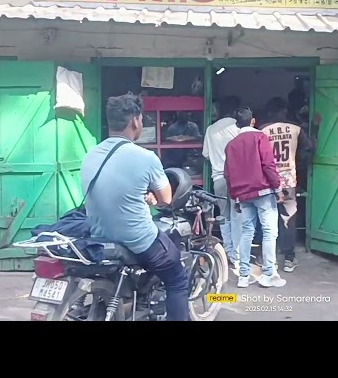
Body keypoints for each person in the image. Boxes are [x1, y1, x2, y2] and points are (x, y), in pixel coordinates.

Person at [81, 93, 190, 321]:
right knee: (177, 279)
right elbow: (167, 198)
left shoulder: (91, 154)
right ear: (135, 121)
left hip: (99, 235)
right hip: (137, 240)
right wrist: (154, 198)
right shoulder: (145, 157)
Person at [224, 108, 286, 288]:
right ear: (253, 121)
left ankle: (244, 275)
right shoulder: (260, 138)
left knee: (246, 232)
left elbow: (228, 174)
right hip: (263, 192)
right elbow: (268, 164)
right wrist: (277, 188)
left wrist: (235, 196)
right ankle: (269, 274)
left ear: (237, 124)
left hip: (242, 195)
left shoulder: (231, 145)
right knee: (269, 232)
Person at [259, 97, 320, 272]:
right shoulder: (296, 129)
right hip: (288, 182)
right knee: (288, 220)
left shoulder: (263, 130)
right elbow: (310, 149)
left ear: (269, 112)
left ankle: (267, 259)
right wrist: (316, 128)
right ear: (284, 111)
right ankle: (288, 259)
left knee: (266, 220)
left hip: (267, 181)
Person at [202, 96, 242, 267]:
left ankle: (229, 251)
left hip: (218, 178)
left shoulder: (211, 129)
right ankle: (238, 255)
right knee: (238, 215)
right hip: (237, 179)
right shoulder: (237, 129)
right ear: (235, 111)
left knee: (224, 215)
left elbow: (205, 154)